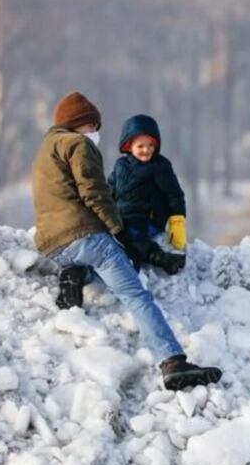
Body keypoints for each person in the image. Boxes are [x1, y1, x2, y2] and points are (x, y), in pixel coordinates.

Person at [31, 91, 221, 390]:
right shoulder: (78, 145)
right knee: (136, 294)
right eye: (94, 127)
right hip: (86, 235)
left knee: (108, 266)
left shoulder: (46, 149)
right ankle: (173, 362)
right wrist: (117, 230)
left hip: (53, 244)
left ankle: (78, 273)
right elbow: (95, 193)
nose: (96, 133)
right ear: (83, 124)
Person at [107, 114, 186, 275]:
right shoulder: (120, 165)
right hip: (123, 218)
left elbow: (174, 194)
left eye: (151, 145)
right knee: (111, 237)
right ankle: (154, 258)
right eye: (141, 146)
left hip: (148, 219)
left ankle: (157, 259)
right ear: (128, 146)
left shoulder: (159, 166)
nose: (147, 150)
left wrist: (177, 220)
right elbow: (110, 189)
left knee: (128, 239)